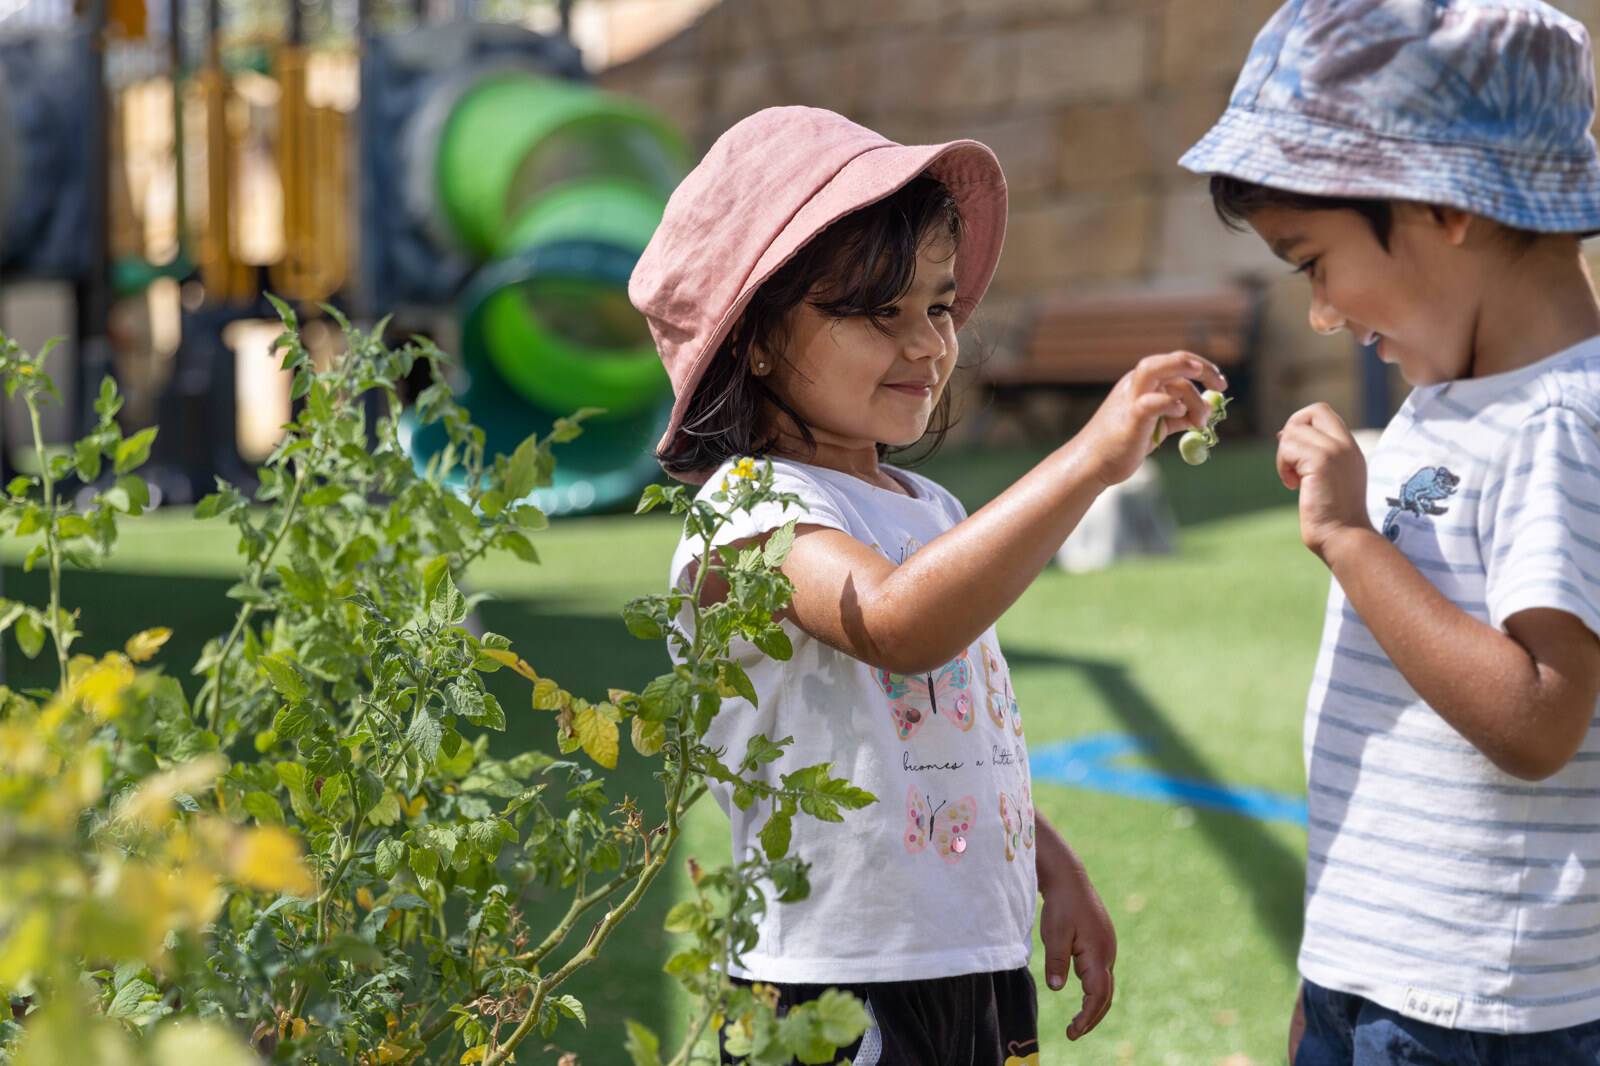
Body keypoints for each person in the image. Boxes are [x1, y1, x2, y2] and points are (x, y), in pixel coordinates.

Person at [629, 105, 1225, 1064]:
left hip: (968, 963)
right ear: (753, 341)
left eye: (938, 306)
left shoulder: (928, 506)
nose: (926, 344)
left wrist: (1047, 859)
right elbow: (899, 626)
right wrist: (1086, 461)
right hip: (831, 982)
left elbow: (947, 739)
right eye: (878, 314)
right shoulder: (747, 515)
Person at [1178, 2, 1600, 1062]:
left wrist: (1351, 539)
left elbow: (1540, 720)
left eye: (1311, 259)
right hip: (1388, 976)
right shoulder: (1453, 399)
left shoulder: (1562, 420)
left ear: (1440, 205)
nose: (1319, 310)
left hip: (1478, 1010)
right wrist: (1337, 968)